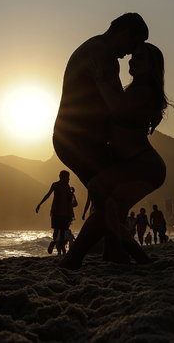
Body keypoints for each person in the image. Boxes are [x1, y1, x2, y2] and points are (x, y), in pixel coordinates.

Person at [60, 42, 169, 269]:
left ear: (151, 67)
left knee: (101, 193)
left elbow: (116, 107)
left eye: (139, 58)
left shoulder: (145, 92)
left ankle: (75, 259)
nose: (131, 60)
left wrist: (99, 76)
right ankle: (130, 256)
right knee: (110, 212)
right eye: (132, 56)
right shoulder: (132, 89)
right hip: (136, 165)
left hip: (145, 166)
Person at [53, 13, 149, 263]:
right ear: (125, 33)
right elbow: (116, 106)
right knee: (109, 199)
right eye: (133, 45)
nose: (130, 53)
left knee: (110, 197)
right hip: (77, 141)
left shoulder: (95, 48)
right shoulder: (101, 53)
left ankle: (112, 251)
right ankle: (78, 258)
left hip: (79, 139)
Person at [36, 170, 74, 255]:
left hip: (65, 212)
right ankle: (55, 244)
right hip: (56, 212)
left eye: (68, 177)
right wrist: (40, 204)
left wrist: (72, 193)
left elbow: (69, 200)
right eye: (67, 177)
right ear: (61, 177)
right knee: (56, 232)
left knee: (63, 232)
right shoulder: (55, 185)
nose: (68, 179)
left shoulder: (67, 186)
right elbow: (48, 194)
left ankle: (61, 250)